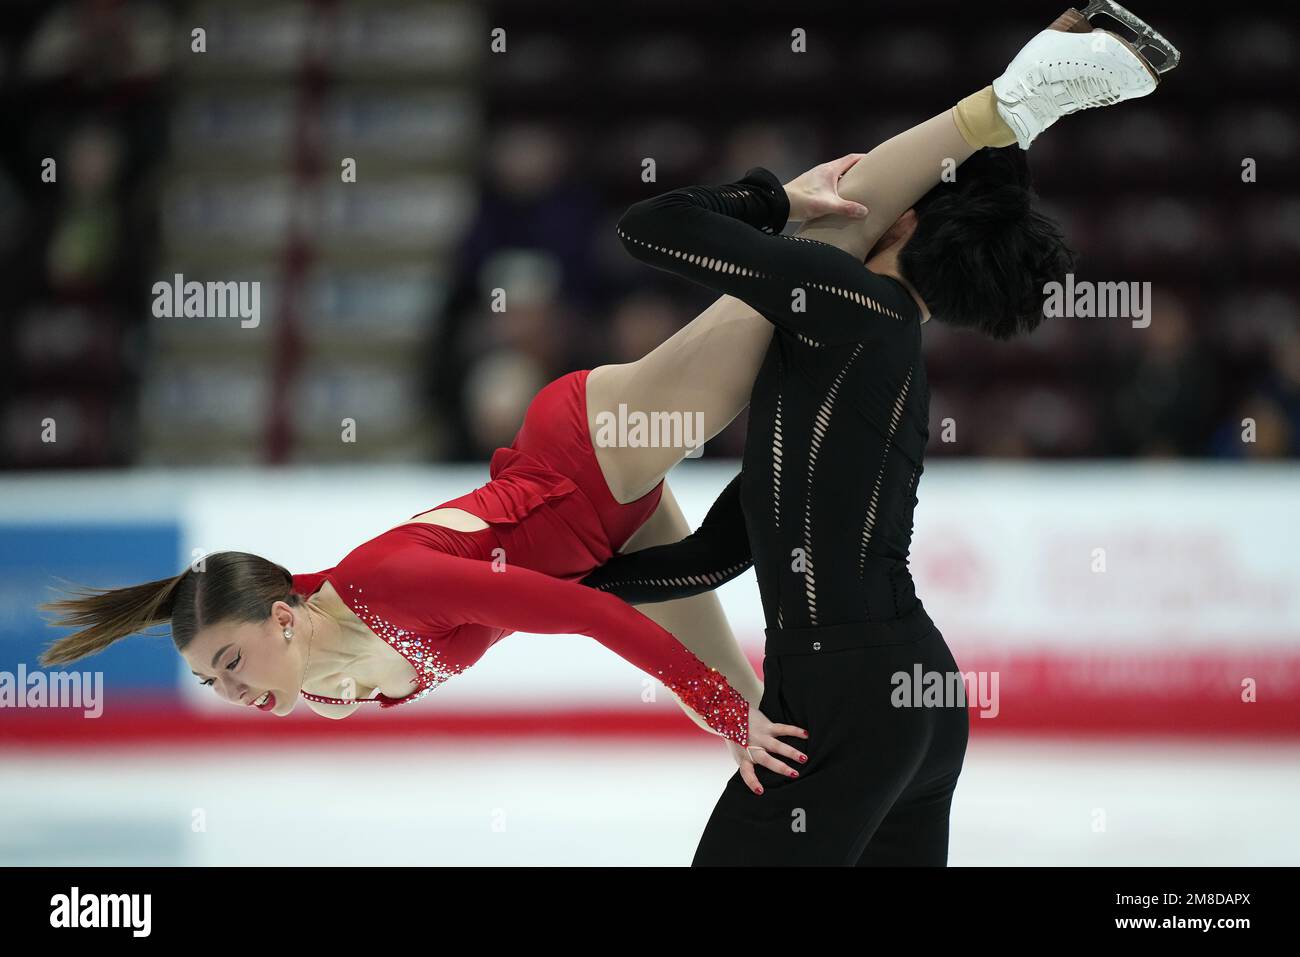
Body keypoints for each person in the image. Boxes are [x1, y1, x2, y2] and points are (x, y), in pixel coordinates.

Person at [581, 8, 1176, 864]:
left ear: (901, 224)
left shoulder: (846, 305)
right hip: (919, 700)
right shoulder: (884, 358)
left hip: (845, 694)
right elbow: (717, 552)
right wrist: (578, 583)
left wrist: (776, 199)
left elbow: (652, 223)